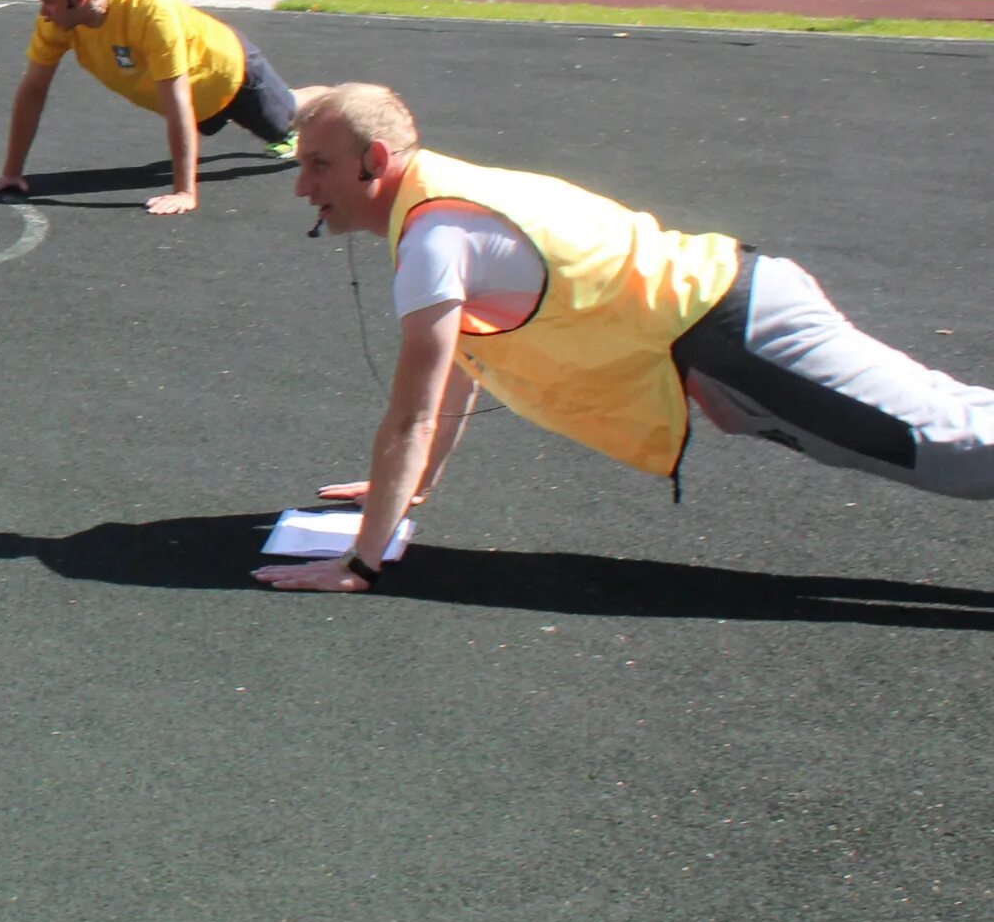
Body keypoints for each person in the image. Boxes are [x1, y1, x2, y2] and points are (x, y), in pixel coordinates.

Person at [258, 84, 994, 595]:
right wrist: (412, 487)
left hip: (736, 330)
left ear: (375, 163)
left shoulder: (433, 236)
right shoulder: (438, 202)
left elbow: (413, 412)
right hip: (730, 321)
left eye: (318, 167)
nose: (304, 187)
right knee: (949, 421)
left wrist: (362, 562)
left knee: (943, 449)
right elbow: (460, 368)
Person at [0, 0, 318, 217]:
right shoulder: (57, 24)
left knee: (289, 117)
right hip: (195, 104)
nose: (42, 11)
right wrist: (12, 171)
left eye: (48, 1)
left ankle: (338, 97)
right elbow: (32, 91)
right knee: (260, 125)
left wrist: (185, 191)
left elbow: (177, 98)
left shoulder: (148, 8)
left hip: (231, 75)